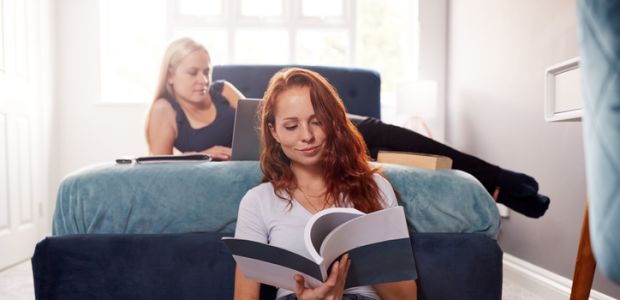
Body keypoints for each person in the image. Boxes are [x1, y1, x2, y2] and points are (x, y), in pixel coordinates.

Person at [146, 37, 550, 218]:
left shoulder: (223, 91)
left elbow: (258, 127)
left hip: (322, 127)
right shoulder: (165, 112)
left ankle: (496, 179)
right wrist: (203, 156)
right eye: (193, 72)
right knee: (382, 154)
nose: (203, 78)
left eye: (207, 69)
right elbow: (163, 171)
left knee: (386, 135)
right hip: (297, 146)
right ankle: (498, 186)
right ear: (170, 75)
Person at [233, 67, 418, 300]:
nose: (307, 136)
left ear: (333, 122)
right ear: (273, 132)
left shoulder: (374, 188)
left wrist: (362, 255)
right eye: (291, 126)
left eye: (316, 121)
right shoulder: (257, 201)